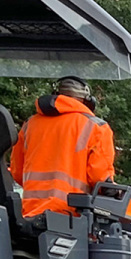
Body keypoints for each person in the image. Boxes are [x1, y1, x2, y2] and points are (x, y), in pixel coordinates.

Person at [9, 75, 115, 218]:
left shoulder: (30, 125)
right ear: (87, 100)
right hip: (71, 217)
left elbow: (16, 172)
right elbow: (99, 179)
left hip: (30, 214)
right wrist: (114, 191)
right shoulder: (97, 127)